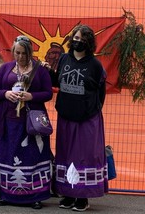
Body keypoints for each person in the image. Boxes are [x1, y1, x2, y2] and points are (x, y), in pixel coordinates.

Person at [48, 24, 108, 212]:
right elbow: (57, 82)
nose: (77, 41)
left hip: (87, 118)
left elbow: (101, 92)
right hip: (66, 115)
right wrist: (48, 72)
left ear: (89, 42)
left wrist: (91, 109)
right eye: (75, 38)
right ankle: (67, 193)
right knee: (65, 154)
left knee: (84, 156)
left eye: (82, 39)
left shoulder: (95, 65)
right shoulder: (64, 58)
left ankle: (82, 196)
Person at [0, 35, 53, 209]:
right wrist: (6, 94)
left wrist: (31, 96)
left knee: (32, 155)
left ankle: (35, 196)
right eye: (16, 53)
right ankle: (6, 194)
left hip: (31, 122)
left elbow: (48, 93)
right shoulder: (6, 68)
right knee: (8, 154)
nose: (19, 57)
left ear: (30, 52)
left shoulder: (40, 70)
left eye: (23, 53)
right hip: (8, 120)